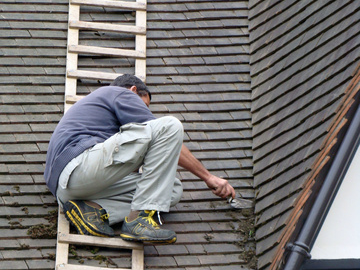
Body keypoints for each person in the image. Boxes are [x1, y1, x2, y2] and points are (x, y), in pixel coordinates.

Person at [44, 75, 235, 244]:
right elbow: (163, 135)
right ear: (134, 90)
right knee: (169, 126)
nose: (143, 110)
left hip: (69, 192)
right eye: (144, 105)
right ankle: (138, 220)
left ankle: (93, 210)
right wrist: (208, 177)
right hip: (78, 166)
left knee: (172, 189)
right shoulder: (119, 93)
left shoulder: (98, 115)